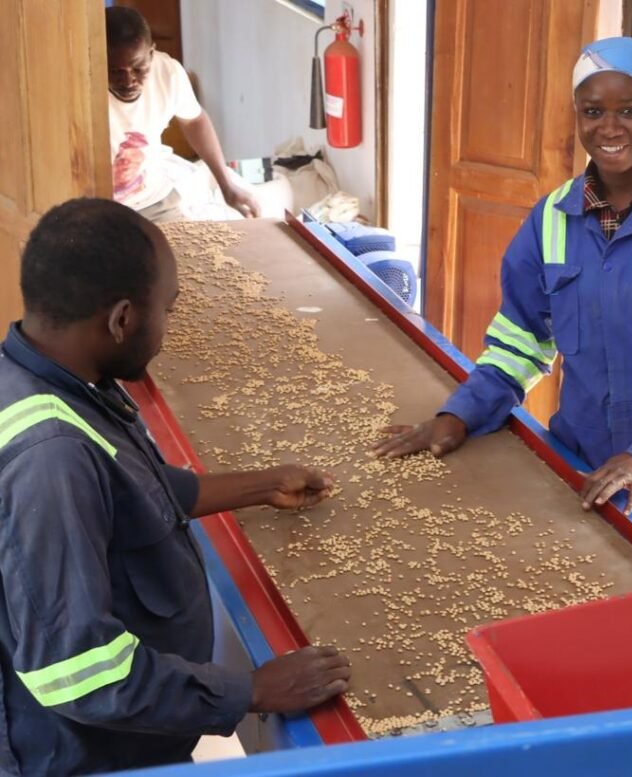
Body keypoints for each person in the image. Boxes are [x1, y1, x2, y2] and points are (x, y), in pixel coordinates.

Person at [0, 199, 350, 775]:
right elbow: (77, 672)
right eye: (167, 309)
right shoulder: (50, 459)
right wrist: (249, 691)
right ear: (120, 320)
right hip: (80, 758)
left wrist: (262, 485)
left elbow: (131, 491)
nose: (168, 330)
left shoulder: (53, 378)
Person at [373, 37, 632, 546]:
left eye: (630, 111)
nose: (609, 128)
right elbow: (521, 342)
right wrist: (459, 415)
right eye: (593, 111)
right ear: (576, 113)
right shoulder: (550, 219)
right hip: (578, 467)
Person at [106, 6, 261, 222]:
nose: (128, 80)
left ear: (151, 53)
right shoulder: (81, 92)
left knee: (193, 253)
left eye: (139, 68)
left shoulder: (168, 72)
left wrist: (226, 184)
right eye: (115, 72)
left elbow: (194, 121)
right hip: (100, 208)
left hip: (153, 200)